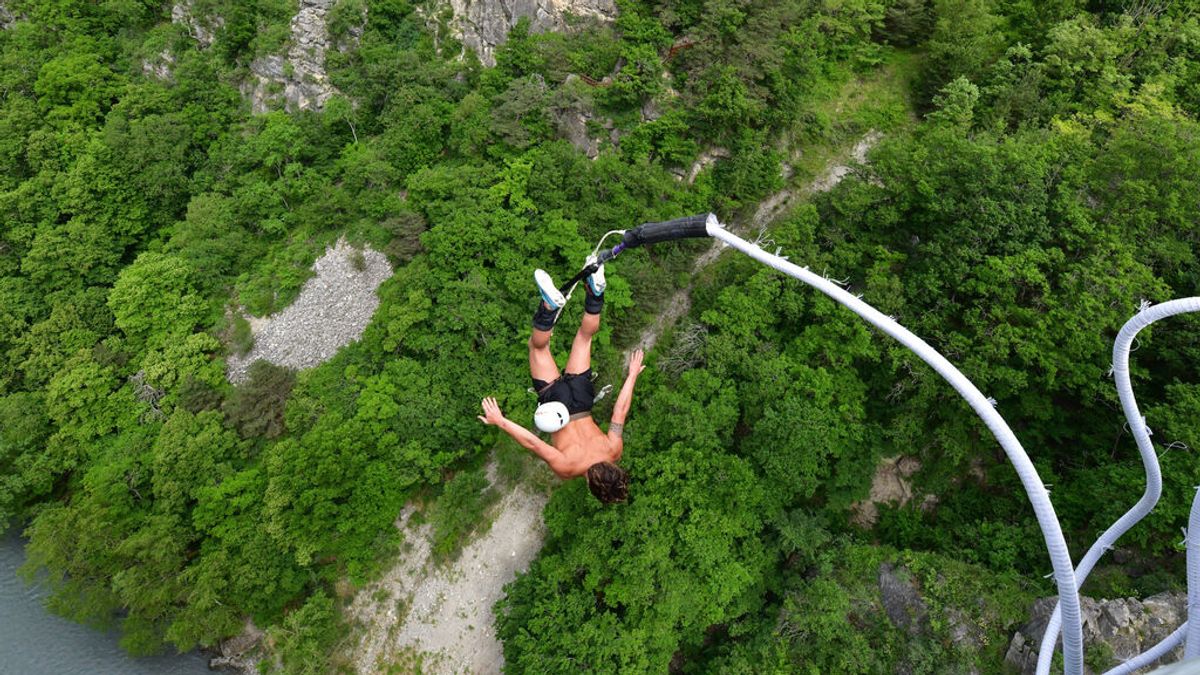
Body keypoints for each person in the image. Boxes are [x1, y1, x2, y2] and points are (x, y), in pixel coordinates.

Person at [478, 258, 644, 504]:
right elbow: (533, 444)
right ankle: (548, 307)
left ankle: (595, 293)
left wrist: (631, 376)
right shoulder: (568, 469)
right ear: (591, 484)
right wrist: (500, 421)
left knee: (585, 338)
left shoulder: (614, 451)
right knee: (537, 348)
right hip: (556, 404)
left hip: (582, 398)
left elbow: (620, 411)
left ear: (614, 470)